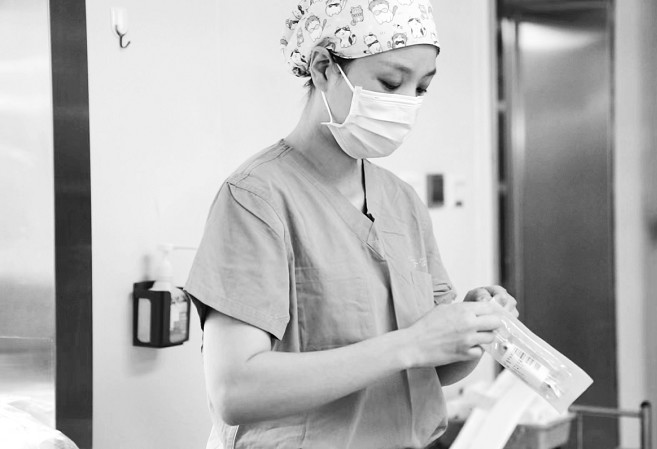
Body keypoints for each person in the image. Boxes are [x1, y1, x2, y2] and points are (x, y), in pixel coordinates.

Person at [183, 1, 519, 448]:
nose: (407, 103)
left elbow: (431, 369)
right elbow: (235, 390)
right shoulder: (255, 199)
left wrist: (470, 327)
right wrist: (412, 342)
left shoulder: (401, 201)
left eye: (421, 88)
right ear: (324, 68)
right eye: (391, 82)